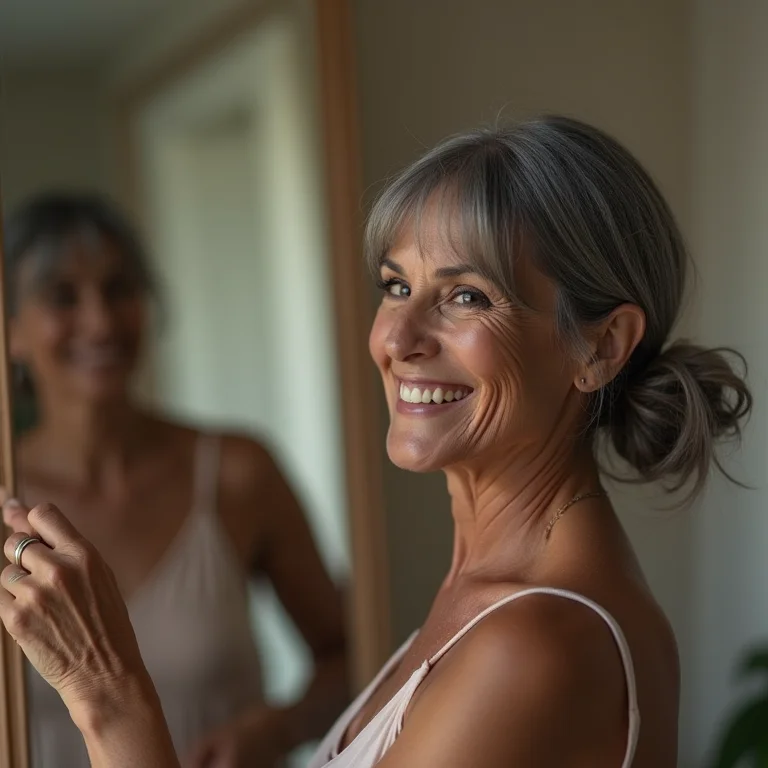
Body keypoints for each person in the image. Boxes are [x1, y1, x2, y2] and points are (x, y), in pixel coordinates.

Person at [0, 116, 752, 767]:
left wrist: (105, 690)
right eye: (396, 285)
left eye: (465, 296)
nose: (395, 337)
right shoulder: (482, 597)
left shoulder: (535, 646)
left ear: (601, 346)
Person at [0, 193, 348, 767]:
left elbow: (351, 653)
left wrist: (278, 729)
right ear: (12, 332)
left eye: (119, 289)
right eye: (63, 296)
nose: (100, 320)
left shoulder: (237, 473)